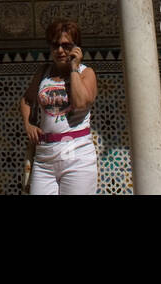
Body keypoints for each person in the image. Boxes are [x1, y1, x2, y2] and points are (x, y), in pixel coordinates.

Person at [19, 19, 98, 194]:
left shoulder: (86, 73)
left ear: (76, 47)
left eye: (66, 45)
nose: (60, 50)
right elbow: (26, 100)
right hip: (45, 156)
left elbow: (80, 103)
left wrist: (74, 68)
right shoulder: (43, 72)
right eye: (55, 45)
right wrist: (28, 124)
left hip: (77, 155)